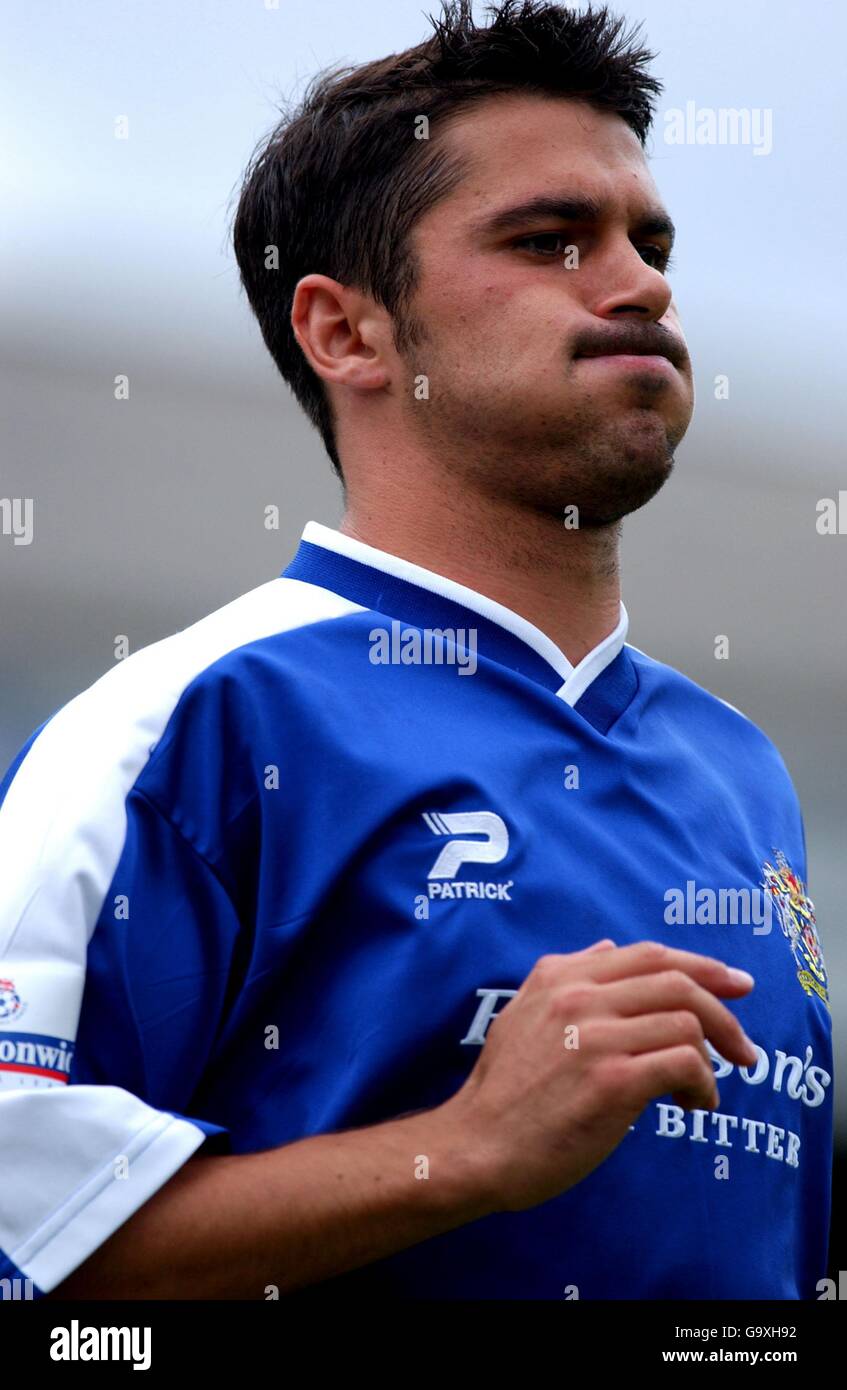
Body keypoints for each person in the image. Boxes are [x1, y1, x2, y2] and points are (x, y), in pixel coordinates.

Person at [0, 0, 831, 1300]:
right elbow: (22, 1228)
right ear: (347, 332)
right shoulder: (188, 725)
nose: (644, 282)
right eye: (551, 239)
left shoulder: (743, 774)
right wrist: (467, 1148)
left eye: (649, 241)